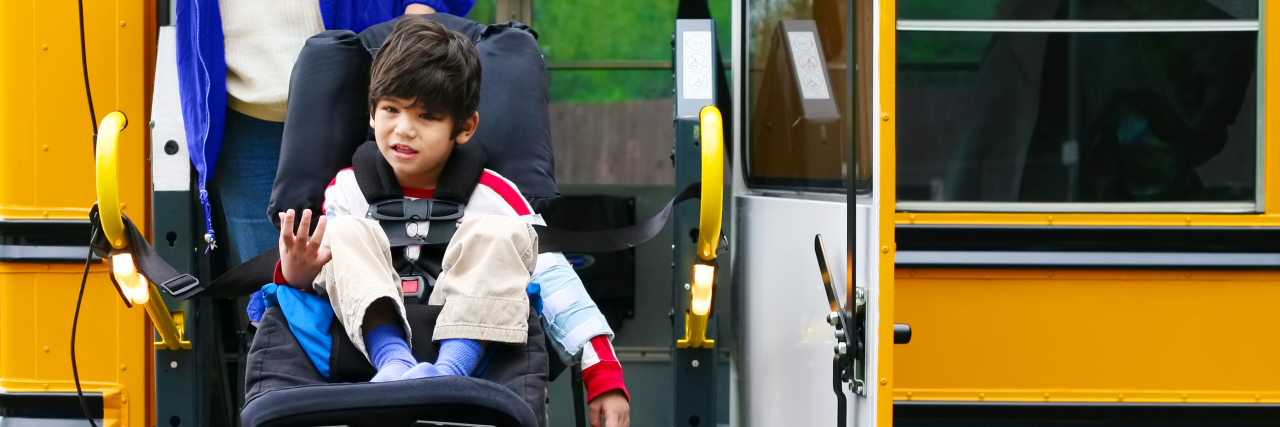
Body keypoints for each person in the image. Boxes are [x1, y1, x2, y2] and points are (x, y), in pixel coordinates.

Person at [269, 16, 632, 426]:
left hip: (476, 358)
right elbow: (328, 279)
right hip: (366, 354)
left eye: (427, 116)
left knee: (504, 234)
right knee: (341, 232)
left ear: (465, 127)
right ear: (371, 113)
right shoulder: (347, 191)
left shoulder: (494, 195)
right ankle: (395, 361)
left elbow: (555, 279)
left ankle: (447, 373)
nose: (404, 130)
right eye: (391, 109)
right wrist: (296, 272)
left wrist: (603, 374)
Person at [176, 0, 475, 265]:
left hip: (366, 90)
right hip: (244, 112)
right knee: (275, 287)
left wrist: (417, 21)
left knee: (392, 263)